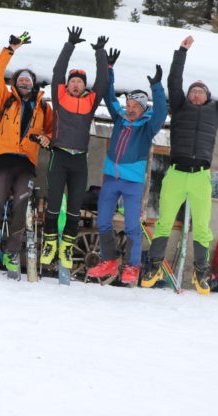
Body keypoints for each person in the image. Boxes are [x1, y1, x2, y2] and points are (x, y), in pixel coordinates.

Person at [141, 36, 218, 294]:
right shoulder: (179, 106)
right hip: (176, 174)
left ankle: (201, 274)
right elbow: (174, 80)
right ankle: (154, 265)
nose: (195, 94)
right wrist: (181, 51)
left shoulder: (216, 109)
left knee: (202, 227)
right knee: (165, 221)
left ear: (207, 96)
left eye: (200, 91)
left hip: (201, 177)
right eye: (193, 90)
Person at [86, 51, 167, 284]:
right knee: (102, 221)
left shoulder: (148, 126)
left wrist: (157, 87)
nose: (130, 108)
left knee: (132, 226)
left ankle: (132, 266)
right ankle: (109, 261)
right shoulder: (120, 118)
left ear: (142, 108)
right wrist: (109, 69)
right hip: (111, 179)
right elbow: (109, 96)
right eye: (128, 104)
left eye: (134, 106)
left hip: (133, 182)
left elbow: (161, 111)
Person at [0, 32, 53, 275]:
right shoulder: (6, 100)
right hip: (3, 161)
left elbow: (52, 131)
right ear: (15, 83)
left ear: (33, 84)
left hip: (27, 165)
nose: (24, 83)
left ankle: (11, 253)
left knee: (21, 209)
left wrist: (47, 138)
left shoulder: (43, 107)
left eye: (28, 81)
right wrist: (10, 49)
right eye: (20, 80)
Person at [39, 27, 109, 271]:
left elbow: (103, 82)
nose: (76, 84)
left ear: (84, 86)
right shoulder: (59, 96)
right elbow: (58, 71)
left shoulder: (90, 101)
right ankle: (49, 243)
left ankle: (67, 246)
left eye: (80, 82)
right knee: (54, 203)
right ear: (67, 85)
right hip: (59, 157)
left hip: (79, 161)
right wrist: (70, 44)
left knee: (74, 207)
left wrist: (100, 53)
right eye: (73, 81)